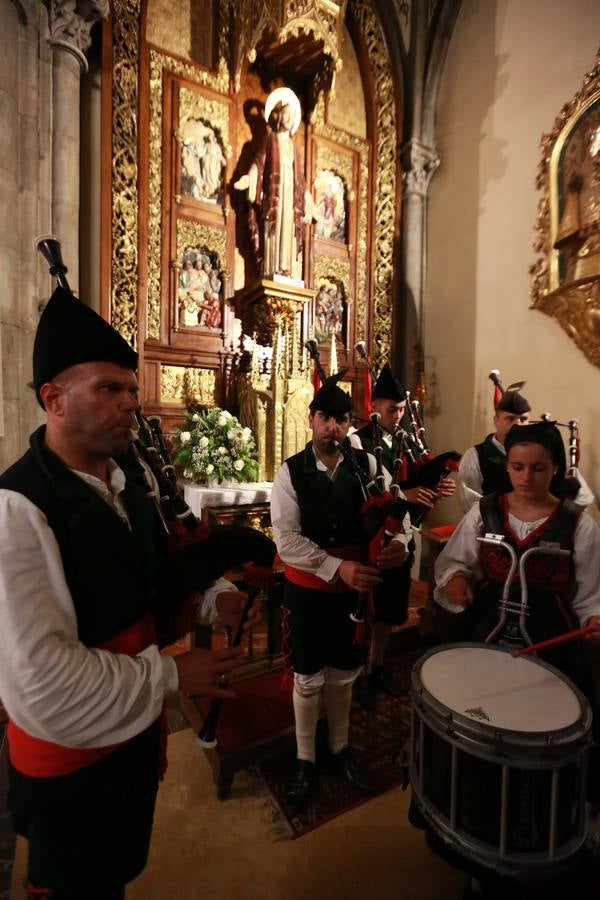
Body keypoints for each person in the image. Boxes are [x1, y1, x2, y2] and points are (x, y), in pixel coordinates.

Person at [0, 286, 262, 899]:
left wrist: (209, 598)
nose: (128, 405)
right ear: (53, 399)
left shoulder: (127, 482)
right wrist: (173, 677)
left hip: (128, 743)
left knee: (112, 877)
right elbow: (40, 685)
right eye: (108, 390)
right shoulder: (18, 510)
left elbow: (142, 583)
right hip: (71, 763)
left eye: (131, 390)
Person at [434, 419, 600, 887]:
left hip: (553, 647)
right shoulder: (484, 512)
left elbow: (590, 596)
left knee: (545, 741)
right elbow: (453, 564)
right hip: (487, 636)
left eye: (538, 468)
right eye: (518, 466)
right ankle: (479, 839)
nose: (526, 477)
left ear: (556, 469)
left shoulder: (578, 527)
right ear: (507, 466)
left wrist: (592, 623)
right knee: (482, 731)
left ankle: (540, 841)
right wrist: (459, 581)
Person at [270, 374, 411, 812]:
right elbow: (287, 541)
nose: (333, 427)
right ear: (311, 420)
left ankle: (341, 748)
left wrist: (400, 546)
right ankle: (305, 759)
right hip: (308, 591)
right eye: (325, 418)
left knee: (345, 672)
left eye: (342, 419)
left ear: (350, 423)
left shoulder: (368, 465)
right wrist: (337, 567)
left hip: (353, 594)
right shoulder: (290, 471)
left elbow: (399, 510)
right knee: (309, 678)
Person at [350, 363, 455, 707]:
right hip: (370, 537)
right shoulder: (358, 441)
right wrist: (405, 496)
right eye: (392, 409)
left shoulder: (405, 442)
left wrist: (435, 488)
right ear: (374, 407)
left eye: (400, 409)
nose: (398, 415)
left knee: (392, 606)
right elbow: (363, 491)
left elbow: (415, 485)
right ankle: (356, 671)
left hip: (403, 535)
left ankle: (377, 666)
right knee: (364, 606)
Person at [458, 382, 594, 513]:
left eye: (523, 419)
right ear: (496, 420)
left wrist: (556, 517)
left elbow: (584, 498)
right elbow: (470, 504)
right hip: (495, 530)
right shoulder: (475, 456)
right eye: (510, 418)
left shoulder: (547, 453)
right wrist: (513, 521)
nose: (517, 424)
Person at [234, 86, 307, 280]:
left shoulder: (295, 147)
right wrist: (249, 179)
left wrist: (308, 200)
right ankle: (272, 266)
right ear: (278, 117)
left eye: (291, 115)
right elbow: (259, 163)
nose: (287, 118)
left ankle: (286, 267)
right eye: (284, 114)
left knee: (288, 226)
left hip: (290, 192)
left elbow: (301, 179)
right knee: (274, 223)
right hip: (274, 192)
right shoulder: (270, 138)